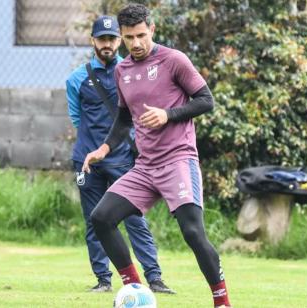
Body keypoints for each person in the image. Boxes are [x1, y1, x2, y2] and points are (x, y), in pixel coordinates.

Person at [82, 4, 232, 308]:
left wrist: (168, 114)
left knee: (192, 232)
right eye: (129, 37)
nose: (135, 43)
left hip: (178, 160)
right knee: (101, 218)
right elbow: (125, 119)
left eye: (141, 35)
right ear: (122, 37)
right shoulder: (122, 70)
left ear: (152, 29)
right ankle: (136, 290)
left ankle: (222, 302)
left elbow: (206, 100)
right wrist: (104, 149)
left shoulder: (174, 60)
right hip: (145, 166)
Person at [65, 15, 174, 294]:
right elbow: (77, 119)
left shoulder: (128, 71)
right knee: (94, 221)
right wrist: (94, 147)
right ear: (93, 41)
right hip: (87, 162)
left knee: (135, 220)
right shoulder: (76, 78)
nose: (107, 44)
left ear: (119, 41)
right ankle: (103, 279)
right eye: (102, 39)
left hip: (123, 160)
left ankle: (154, 278)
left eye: (112, 39)